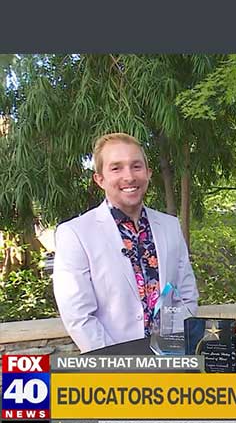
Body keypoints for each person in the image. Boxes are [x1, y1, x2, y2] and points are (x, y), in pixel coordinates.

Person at [53, 133, 198, 353]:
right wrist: (118, 365)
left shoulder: (169, 226)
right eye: (116, 168)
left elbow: (186, 295)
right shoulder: (75, 234)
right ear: (99, 179)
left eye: (136, 166)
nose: (129, 176)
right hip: (113, 368)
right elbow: (79, 315)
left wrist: (175, 349)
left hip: (171, 361)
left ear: (148, 173)